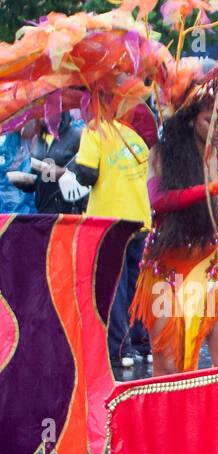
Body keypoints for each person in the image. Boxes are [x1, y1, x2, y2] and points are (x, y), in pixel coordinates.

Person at [128, 69, 218, 375]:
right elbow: (160, 203)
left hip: (211, 268)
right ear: (189, 120)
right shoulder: (162, 156)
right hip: (166, 271)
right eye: (210, 120)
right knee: (170, 367)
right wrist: (214, 187)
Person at [72, 115, 153, 372]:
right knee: (136, 284)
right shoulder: (134, 134)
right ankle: (145, 346)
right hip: (139, 218)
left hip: (109, 222)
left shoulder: (94, 130)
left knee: (115, 286)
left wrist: (72, 166)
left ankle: (120, 351)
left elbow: (86, 172)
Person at [12, 113, 86, 215]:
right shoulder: (38, 139)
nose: (42, 116)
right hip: (44, 212)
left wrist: (63, 173)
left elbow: (86, 175)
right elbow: (38, 180)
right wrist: (24, 181)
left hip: (69, 213)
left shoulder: (78, 136)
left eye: (47, 111)